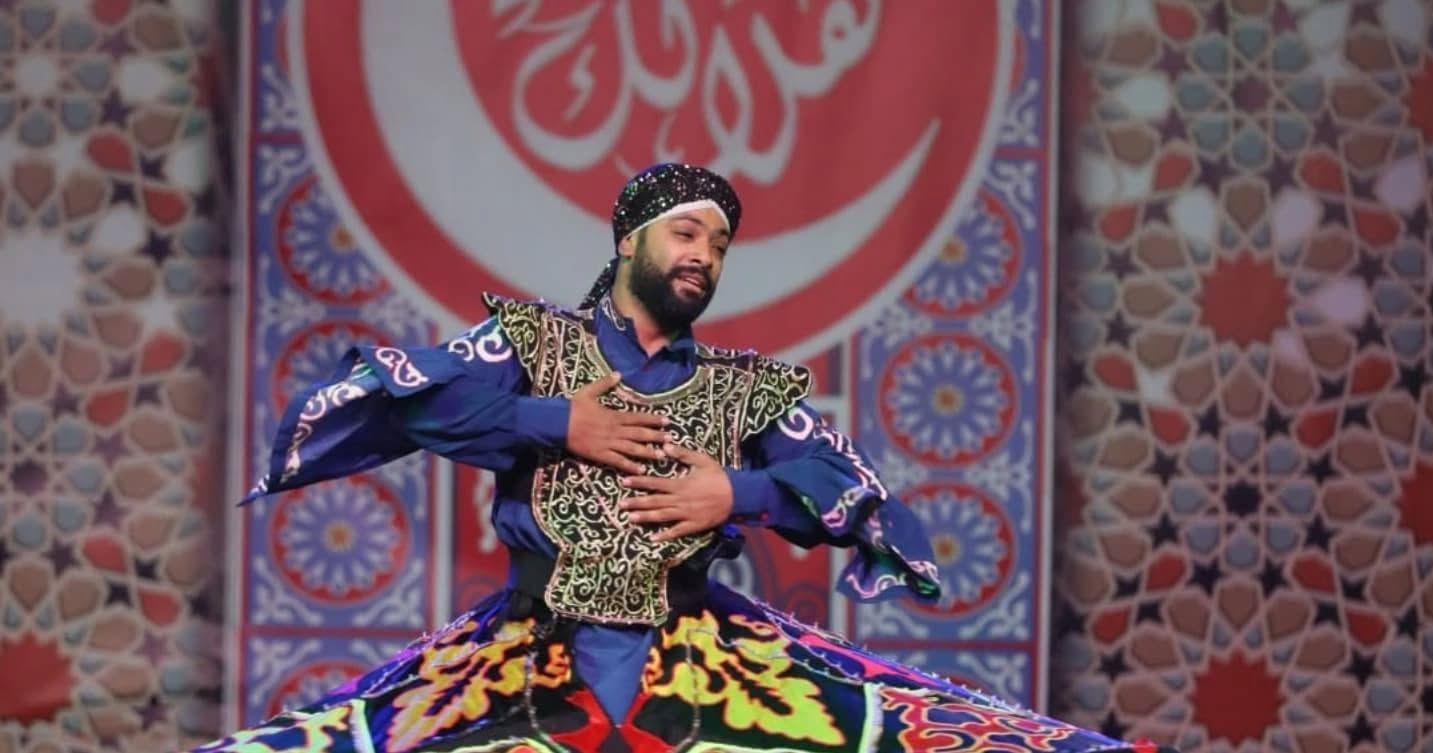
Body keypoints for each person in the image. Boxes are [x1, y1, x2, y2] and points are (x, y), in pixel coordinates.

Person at [196, 164, 1166, 752]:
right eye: (688, 230)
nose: (705, 252)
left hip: (701, 661)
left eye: (721, 243)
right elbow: (402, 399)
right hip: (528, 652)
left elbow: (859, 498)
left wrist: (734, 491)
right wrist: (554, 424)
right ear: (630, 239)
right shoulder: (532, 344)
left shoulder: (743, 389)